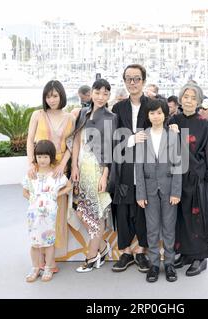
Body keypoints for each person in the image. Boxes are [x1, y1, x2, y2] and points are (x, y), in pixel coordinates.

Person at [168, 82, 208, 277]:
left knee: (197, 216)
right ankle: (184, 253)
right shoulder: (173, 121)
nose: (189, 100)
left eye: (193, 98)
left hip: (196, 176)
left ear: (199, 101)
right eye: (186, 97)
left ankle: (200, 257)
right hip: (176, 177)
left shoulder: (203, 124)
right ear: (180, 99)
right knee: (180, 217)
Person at [26, 80, 76, 262]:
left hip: (59, 170)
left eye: (55, 96)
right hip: (40, 168)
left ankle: (53, 258)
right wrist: (31, 163)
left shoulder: (70, 117)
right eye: (48, 96)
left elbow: (71, 144)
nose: (52, 100)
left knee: (58, 212)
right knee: (39, 211)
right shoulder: (37, 115)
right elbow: (30, 140)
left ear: (61, 95)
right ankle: (39, 259)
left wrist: (63, 164)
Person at [71, 79, 117, 273]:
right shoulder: (82, 113)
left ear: (109, 96)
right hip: (81, 168)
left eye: (105, 94)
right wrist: (74, 166)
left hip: (97, 169)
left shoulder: (110, 117)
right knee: (81, 211)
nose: (101, 97)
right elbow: (76, 142)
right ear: (91, 93)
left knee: (96, 214)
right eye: (97, 93)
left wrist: (105, 175)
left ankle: (91, 257)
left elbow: (110, 148)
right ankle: (102, 247)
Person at [110, 64, 151, 273]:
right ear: (125, 82)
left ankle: (142, 252)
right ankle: (126, 252)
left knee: (143, 210)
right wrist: (132, 139)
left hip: (146, 169)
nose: (132, 83)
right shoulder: (118, 109)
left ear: (143, 80)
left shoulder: (153, 105)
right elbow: (113, 140)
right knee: (124, 210)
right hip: (125, 168)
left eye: (136, 78)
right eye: (128, 79)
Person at [135, 99, 182, 283]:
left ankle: (169, 264)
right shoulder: (142, 136)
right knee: (152, 229)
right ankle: (154, 264)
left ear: (165, 115)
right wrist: (140, 193)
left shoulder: (172, 135)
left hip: (170, 188)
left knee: (169, 229)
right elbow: (138, 166)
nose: (156, 116)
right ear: (148, 115)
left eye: (160, 113)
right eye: (152, 113)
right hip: (149, 190)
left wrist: (176, 192)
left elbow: (178, 165)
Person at [22, 140, 70, 282]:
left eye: (45, 156)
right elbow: (24, 192)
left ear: (51, 157)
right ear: (35, 157)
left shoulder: (56, 175)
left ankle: (48, 268)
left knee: (48, 243)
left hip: (49, 216)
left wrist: (55, 194)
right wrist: (33, 199)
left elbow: (69, 186)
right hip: (33, 215)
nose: (42, 160)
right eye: (39, 156)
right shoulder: (32, 174)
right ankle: (35, 268)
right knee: (34, 243)